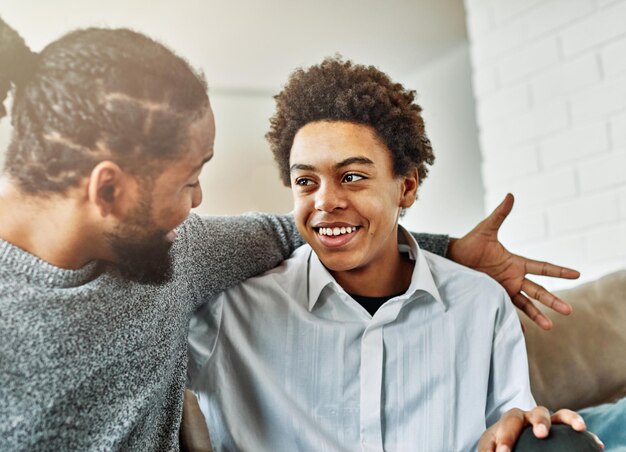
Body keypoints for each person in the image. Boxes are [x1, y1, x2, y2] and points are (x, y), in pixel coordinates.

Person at [0, 19, 581, 450]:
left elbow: (298, 228)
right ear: (109, 193)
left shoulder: (182, 253)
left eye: (352, 175)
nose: (198, 204)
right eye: (189, 181)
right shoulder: (197, 281)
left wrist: (449, 250)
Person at [187, 57, 601, 451]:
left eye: (352, 177)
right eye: (306, 182)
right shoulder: (231, 309)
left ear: (406, 187)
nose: (325, 201)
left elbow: (510, 426)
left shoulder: (480, 303)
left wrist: (533, 433)